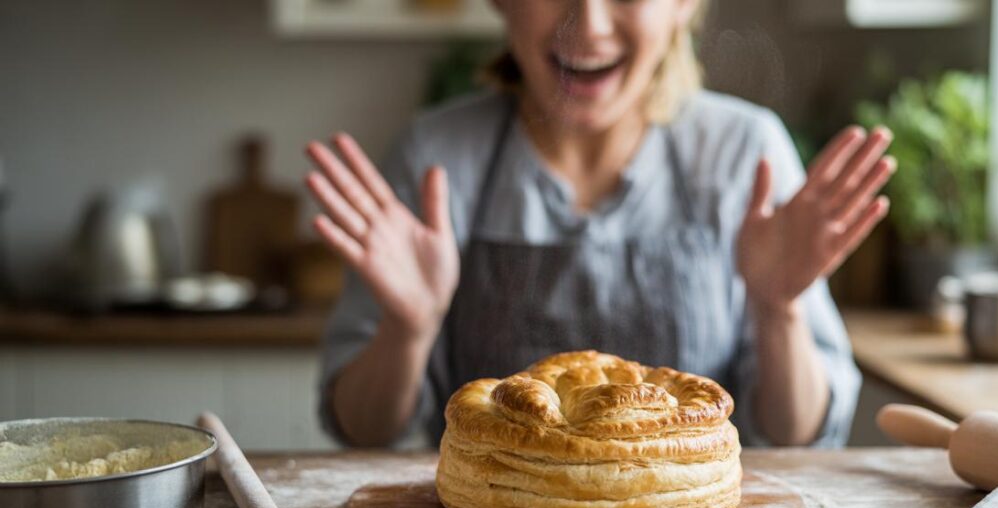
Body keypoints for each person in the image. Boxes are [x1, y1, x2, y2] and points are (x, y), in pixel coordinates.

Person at [306, 0, 895, 449]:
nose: (588, 26)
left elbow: (799, 437)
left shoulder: (745, 153)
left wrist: (778, 311)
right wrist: (407, 330)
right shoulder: (434, 158)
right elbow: (364, 433)